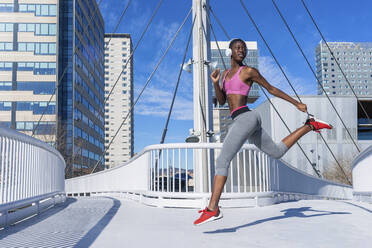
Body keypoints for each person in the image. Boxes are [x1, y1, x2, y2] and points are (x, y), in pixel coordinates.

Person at [193, 38, 332, 226]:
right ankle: (310, 126)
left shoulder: (248, 71)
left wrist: (296, 103)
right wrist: (216, 83)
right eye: (237, 48)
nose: (241, 50)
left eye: (243, 48)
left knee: (222, 160)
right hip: (243, 120)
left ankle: (213, 209)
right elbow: (222, 100)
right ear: (230, 52)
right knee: (276, 151)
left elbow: (271, 89)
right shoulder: (225, 75)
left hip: (247, 117)